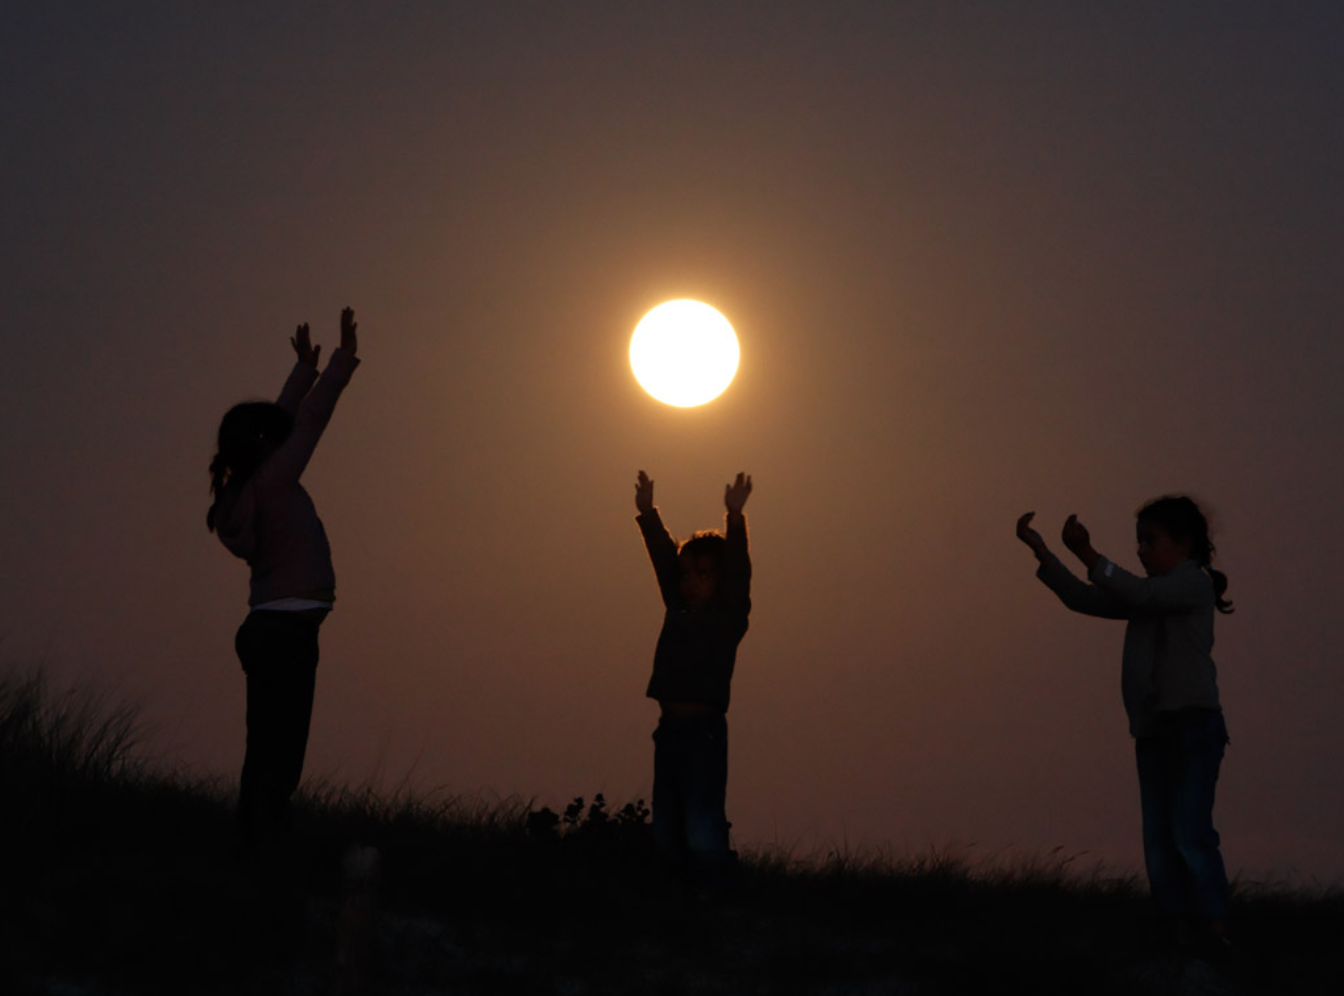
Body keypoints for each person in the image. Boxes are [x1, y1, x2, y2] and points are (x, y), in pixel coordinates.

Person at [1015, 497, 1234, 948]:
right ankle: (1175, 927)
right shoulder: (1148, 594)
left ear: (1184, 543)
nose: (1140, 549)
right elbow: (1084, 598)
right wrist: (1043, 552)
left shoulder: (1191, 585)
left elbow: (1136, 592)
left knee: (1190, 830)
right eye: (1138, 541)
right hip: (1153, 730)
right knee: (1158, 836)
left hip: (1192, 726)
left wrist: (1087, 552)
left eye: (1149, 540)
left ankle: (1214, 928)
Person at [208, 307, 361, 853]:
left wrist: (302, 370)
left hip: (268, 628)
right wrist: (339, 363)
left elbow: (278, 424)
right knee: (283, 749)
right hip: (287, 634)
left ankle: (256, 836)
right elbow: (309, 421)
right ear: (262, 446)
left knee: (266, 744)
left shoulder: (246, 487)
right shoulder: (274, 480)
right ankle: (265, 843)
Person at [634, 469, 753, 886]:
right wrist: (648, 514)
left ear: (719, 583)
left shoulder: (727, 617)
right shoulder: (679, 606)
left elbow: (737, 574)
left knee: (702, 817)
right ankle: (673, 891)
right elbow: (665, 560)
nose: (690, 582)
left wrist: (735, 519)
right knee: (666, 816)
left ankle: (714, 890)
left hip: (703, 731)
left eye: (703, 574)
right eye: (687, 575)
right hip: (670, 730)